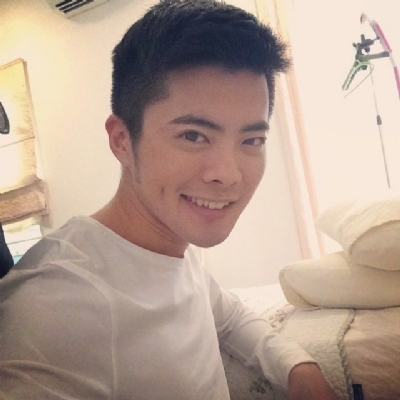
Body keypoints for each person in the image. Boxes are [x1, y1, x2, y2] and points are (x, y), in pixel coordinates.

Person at [0, 1, 337, 399]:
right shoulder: (59, 307)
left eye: (252, 140)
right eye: (193, 135)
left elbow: (229, 317)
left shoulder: (171, 247)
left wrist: (299, 368)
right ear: (122, 140)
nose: (228, 173)